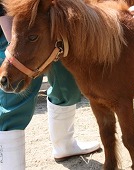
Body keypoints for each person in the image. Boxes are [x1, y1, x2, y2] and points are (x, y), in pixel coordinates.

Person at [0, 4, 100, 170]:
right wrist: (16, 43)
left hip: (58, 23)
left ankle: (64, 146)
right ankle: (11, 165)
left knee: (68, 84)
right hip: (13, 23)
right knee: (14, 93)